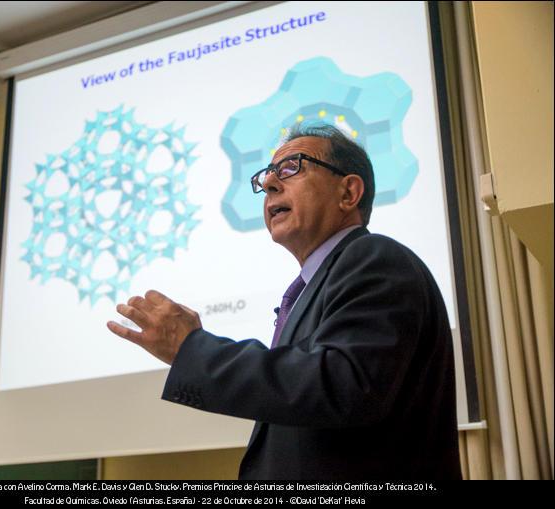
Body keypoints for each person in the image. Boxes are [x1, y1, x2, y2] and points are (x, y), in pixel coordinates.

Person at [106, 124, 462, 480]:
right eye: (266, 178)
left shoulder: (374, 258)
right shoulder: (311, 288)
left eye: (292, 167)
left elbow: (342, 387)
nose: (270, 185)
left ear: (348, 192)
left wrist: (194, 350)